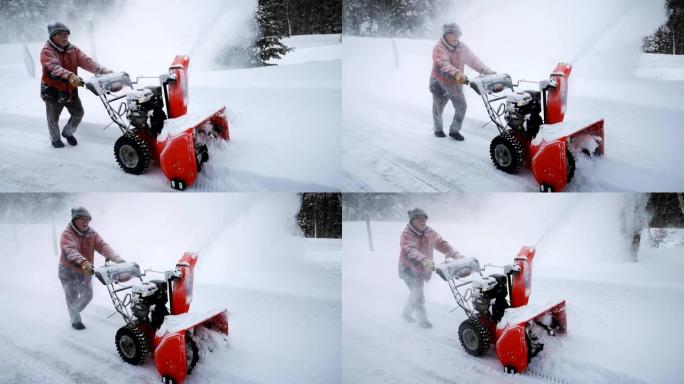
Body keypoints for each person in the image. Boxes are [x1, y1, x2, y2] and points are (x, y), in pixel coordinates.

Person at [40, 22, 113, 148]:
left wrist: (102, 70)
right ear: (53, 36)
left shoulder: (72, 49)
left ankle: (68, 133)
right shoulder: (47, 51)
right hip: (53, 90)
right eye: (61, 34)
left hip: (70, 89)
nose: (65, 37)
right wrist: (70, 76)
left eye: (66, 34)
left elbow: (86, 61)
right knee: (53, 119)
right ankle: (55, 139)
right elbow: (53, 68)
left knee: (78, 113)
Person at [59, 207, 125, 330]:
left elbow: (103, 246)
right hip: (68, 271)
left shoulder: (91, 233)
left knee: (88, 295)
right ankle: (75, 320)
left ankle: (73, 311)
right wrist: (84, 262)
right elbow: (70, 251)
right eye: (83, 219)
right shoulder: (67, 234)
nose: (86, 222)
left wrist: (117, 259)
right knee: (72, 295)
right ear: (75, 220)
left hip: (86, 270)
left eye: (88, 219)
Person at [398, 207, 463, 328]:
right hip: (408, 268)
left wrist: (456, 254)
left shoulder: (429, 232)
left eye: (424, 218)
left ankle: (406, 313)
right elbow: (409, 250)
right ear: (412, 220)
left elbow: (442, 244)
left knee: (416, 292)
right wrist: (424, 260)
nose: (423, 221)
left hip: (422, 268)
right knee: (418, 293)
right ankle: (423, 321)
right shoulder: (407, 234)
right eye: (419, 218)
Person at [430, 22, 495, 141]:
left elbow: (473, 59)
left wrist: (485, 70)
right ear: (445, 35)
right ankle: (438, 129)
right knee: (438, 108)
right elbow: (443, 64)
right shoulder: (439, 48)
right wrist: (457, 73)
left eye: (458, 34)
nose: (456, 37)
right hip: (439, 82)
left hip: (455, 83)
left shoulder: (462, 47)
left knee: (461, 106)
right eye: (452, 34)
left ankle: (454, 131)